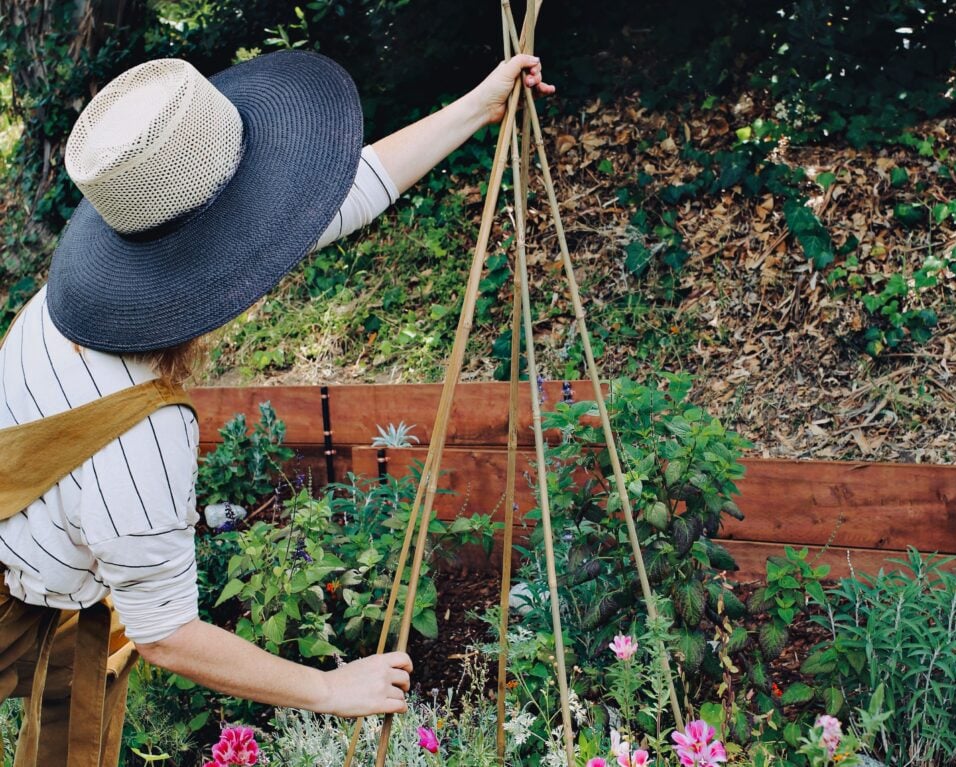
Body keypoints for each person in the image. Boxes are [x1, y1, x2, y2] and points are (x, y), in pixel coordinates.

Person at [0, 47, 553, 765]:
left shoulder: (65, 305)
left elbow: (333, 201)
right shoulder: (141, 433)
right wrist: (329, 687)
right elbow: (167, 634)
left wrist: (479, 105)